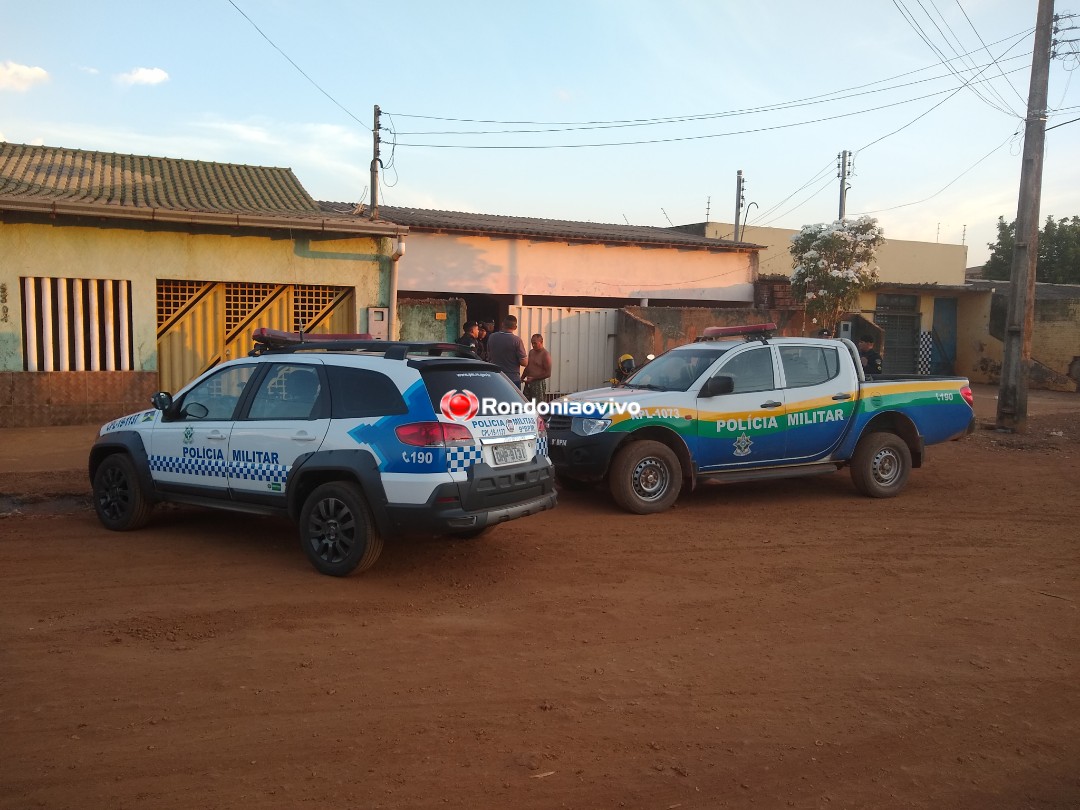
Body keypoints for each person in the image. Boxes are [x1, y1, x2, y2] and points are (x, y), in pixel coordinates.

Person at [485, 315, 527, 387]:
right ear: (515, 327)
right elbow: (524, 362)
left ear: (502, 324)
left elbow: (488, 356)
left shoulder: (492, 337)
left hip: (496, 376)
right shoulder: (517, 340)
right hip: (512, 378)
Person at [522, 333, 552, 401]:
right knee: (526, 402)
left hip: (538, 383)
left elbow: (548, 373)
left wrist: (534, 378)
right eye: (532, 343)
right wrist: (522, 377)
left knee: (538, 405)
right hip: (529, 382)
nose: (533, 345)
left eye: (535, 343)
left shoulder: (545, 355)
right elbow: (528, 366)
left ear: (541, 342)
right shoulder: (531, 352)